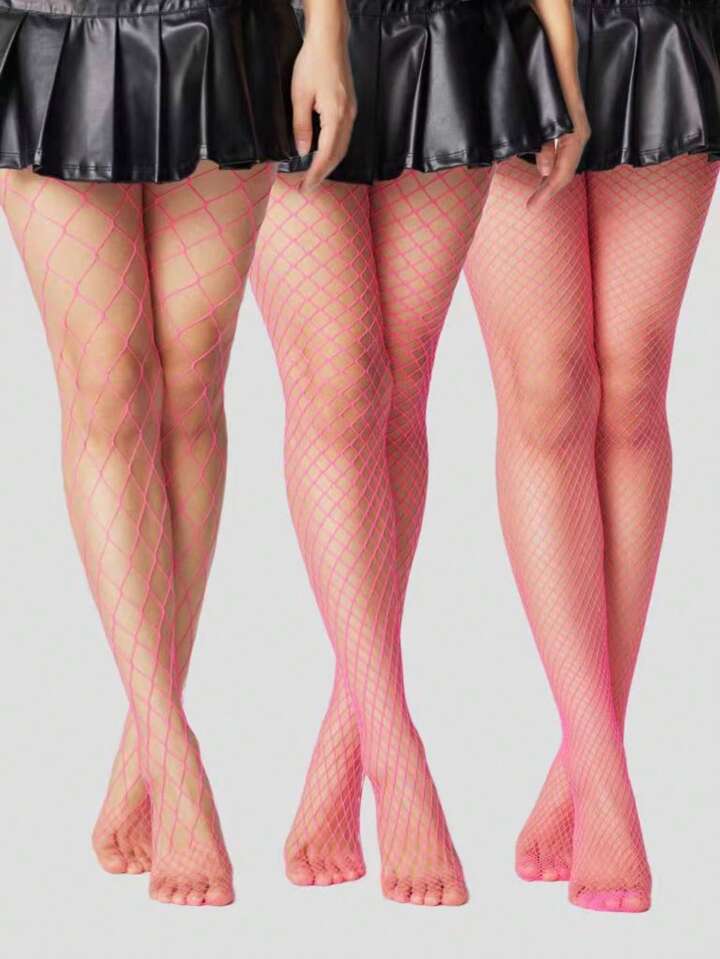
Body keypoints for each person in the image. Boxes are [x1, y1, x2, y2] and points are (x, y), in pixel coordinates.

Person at [0, 0, 355, 907]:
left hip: (221, 25)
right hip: (48, 26)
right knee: (106, 384)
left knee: (192, 381)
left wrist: (325, 35)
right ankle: (175, 757)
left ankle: (142, 749)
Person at [250, 0, 588, 906]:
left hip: (450, 30)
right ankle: (398, 757)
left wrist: (558, 61)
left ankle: (345, 737)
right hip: (277, 34)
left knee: (399, 390)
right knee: (335, 384)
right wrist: (322, 36)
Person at [463, 0, 720, 913]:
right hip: (502, 36)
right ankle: (606, 778)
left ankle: (583, 758)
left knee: (635, 378)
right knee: (545, 386)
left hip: (661, 24)